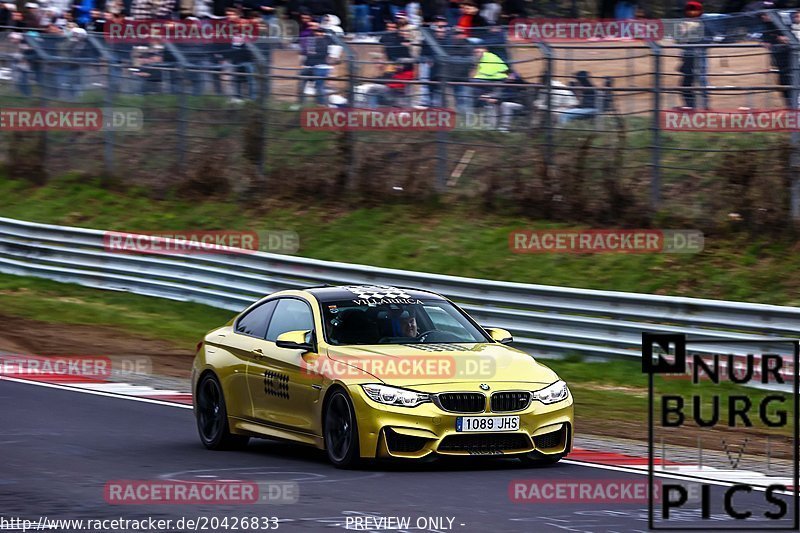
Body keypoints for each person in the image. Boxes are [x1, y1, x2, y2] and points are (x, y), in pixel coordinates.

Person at [678, 0, 710, 109]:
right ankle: (691, 106)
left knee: (701, 80)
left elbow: (707, 40)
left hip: (698, 56)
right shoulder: (686, 23)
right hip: (689, 57)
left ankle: (704, 105)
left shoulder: (704, 22)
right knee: (687, 82)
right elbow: (681, 40)